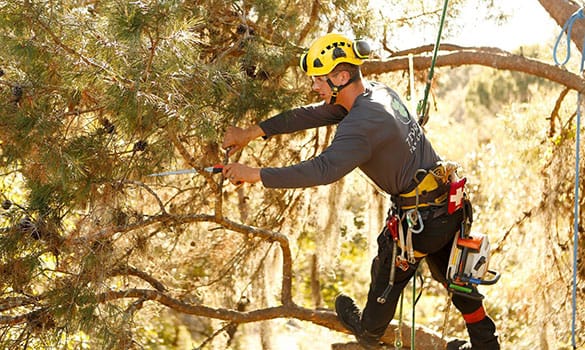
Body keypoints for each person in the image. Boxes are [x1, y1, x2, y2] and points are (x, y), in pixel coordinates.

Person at [221, 32, 499, 350]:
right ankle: (487, 343)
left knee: (380, 299)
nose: (315, 86)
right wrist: (250, 133)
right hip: (449, 206)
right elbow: (308, 114)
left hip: (420, 222)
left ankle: (369, 331)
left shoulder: (361, 123)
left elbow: (323, 170)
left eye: (318, 79)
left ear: (341, 76)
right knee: (456, 279)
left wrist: (254, 174)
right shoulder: (377, 94)